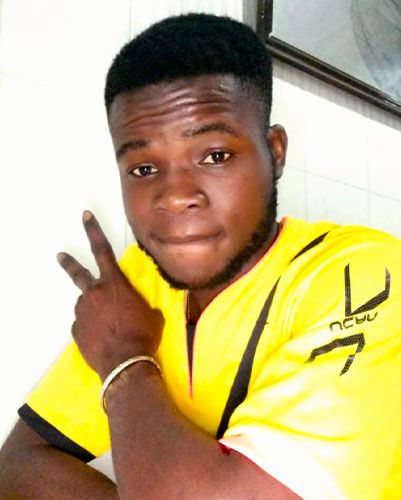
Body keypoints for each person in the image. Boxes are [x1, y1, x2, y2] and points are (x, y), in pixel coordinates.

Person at [1, 12, 401, 500]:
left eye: (214, 156)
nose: (174, 197)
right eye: (143, 168)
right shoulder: (139, 281)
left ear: (274, 152)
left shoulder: (366, 273)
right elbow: (19, 468)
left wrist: (125, 360)